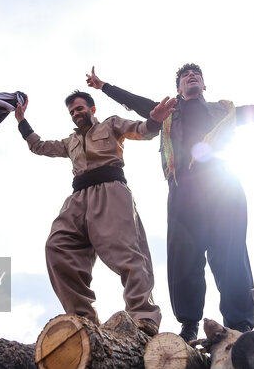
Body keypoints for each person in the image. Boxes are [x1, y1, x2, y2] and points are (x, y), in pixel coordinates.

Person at [86, 64, 254, 341]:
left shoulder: (224, 110)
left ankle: (239, 324)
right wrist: (104, 86)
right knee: (184, 257)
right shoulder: (167, 111)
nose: (191, 77)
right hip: (183, 190)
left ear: (204, 85)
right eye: (185, 76)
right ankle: (189, 324)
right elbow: (133, 101)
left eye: (197, 75)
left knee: (231, 253)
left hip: (223, 187)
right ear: (178, 88)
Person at [15, 90, 176, 335]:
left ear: (92, 110)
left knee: (127, 254)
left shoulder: (111, 125)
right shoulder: (70, 142)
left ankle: (143, 317)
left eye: (79, 109)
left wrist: (155, 120)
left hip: (110, 191)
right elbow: (38, 146)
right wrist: (21, 120)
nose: (75, 114)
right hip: (78, 198)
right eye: (71, 112)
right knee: (57, 247)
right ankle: (84, 321)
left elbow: (143, 130)